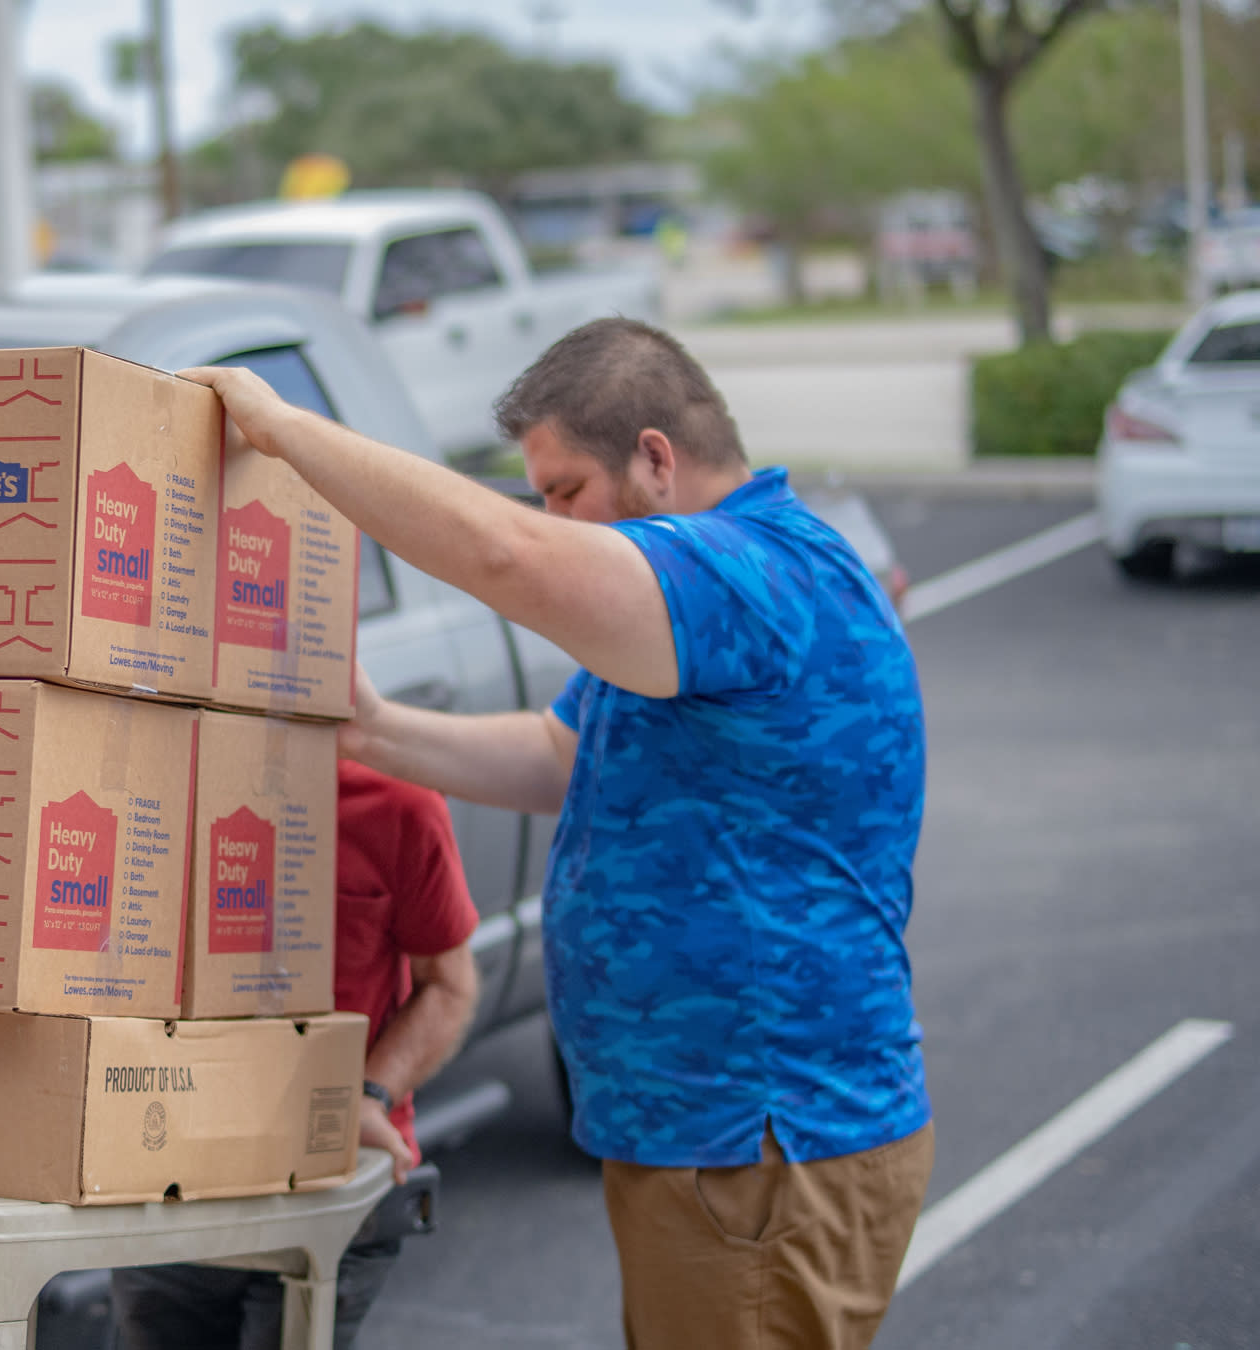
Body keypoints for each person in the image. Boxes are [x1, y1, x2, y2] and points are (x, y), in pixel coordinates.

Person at [180, 317, 932, 1350]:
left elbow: (505, 557)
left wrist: (281, 428)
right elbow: (562, 757)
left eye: (566, 490)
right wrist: (376, 729)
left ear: (657, 459)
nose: (555, 519)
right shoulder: (718, 603)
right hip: (714, 1137)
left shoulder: (746, 572)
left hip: (761, 1135)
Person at [111, 759, 480, 1350]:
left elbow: (450, 982)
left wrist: (369, 1095)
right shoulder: (164, 776)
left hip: (332, 1177)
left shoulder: (400, 805)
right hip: (173, 1174)